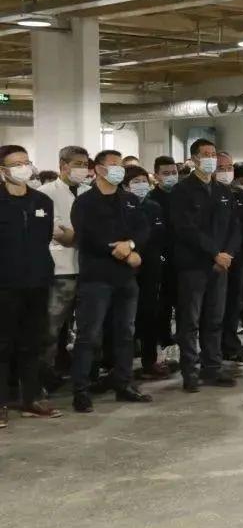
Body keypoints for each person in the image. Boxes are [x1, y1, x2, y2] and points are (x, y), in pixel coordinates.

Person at [70, 150, 152, 412]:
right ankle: (81, 390)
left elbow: (142, 229)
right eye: (113, 165)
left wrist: (131, 245)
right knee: (89, 336)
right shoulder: (85, 202)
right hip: (96, 278)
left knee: (126, 333)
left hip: (125, 278)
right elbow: (88, 236)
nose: (119, 169)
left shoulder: (129, 200)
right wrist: (120, 251)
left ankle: (123, 383)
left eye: (120, 165)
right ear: (98, 169)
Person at [170, 139, 241, 393]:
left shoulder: (223, 191)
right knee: (190, 322)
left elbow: (234, 226)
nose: (211, 158)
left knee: (215, 319)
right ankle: (190, 371)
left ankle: (213, 367)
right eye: (206, 154)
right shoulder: (182, 190)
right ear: (194, 159)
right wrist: (214, 253)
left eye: (213, 153)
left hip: (220, 266)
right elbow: (185, 228)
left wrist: (228, 253)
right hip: (194, 265)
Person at [0, 144, 61, 425]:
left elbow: (44, 238)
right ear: (3, 170)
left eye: (26, 162)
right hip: (5, 284)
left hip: (37, 282)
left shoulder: (41, 201)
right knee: (3, 344)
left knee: (33, 343)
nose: (23, 168)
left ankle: (31, 398)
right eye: (16, 164)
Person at [38, 145, 90, 389]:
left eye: (85, 164)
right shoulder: (45, 193)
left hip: (89, 269)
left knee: (87, 329)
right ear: (63, 165)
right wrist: (87, 236)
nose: (82, 169)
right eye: (77, 164)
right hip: (61, 269)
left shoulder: (90, 192)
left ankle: (83, 374)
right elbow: (58, 233)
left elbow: (97, 230)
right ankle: (43, 378)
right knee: (51, 328)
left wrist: (80, 236)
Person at [122, 166, 170, 380]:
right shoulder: (121, 205)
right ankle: (120, 365)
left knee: (150, 312)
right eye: (136, 181)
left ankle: (150, 361)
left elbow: (160, 235)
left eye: (144, 181)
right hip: (126, 265)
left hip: (151, 266)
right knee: (125, 317)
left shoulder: (153, 206)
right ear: (126, 185)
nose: (141, 185)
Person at [217, 154, 243, 364]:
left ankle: (230, 345)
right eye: (221, 168)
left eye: (228, 168)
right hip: (214, 257)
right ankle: (214, 350)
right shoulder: (208, 193)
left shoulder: (239, 195)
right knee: (215, 307)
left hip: (238, 256)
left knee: (234, 303)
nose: (226, 172)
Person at [149, 156, 180, 361]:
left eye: (174, 173)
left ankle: (182, 341)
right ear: (156, 176)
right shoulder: (151, 199)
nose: (171, 177)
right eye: (166, 173)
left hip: (183, 258)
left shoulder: (183, 195)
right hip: (160, 259)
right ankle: (164, 339)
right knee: (162, 304)